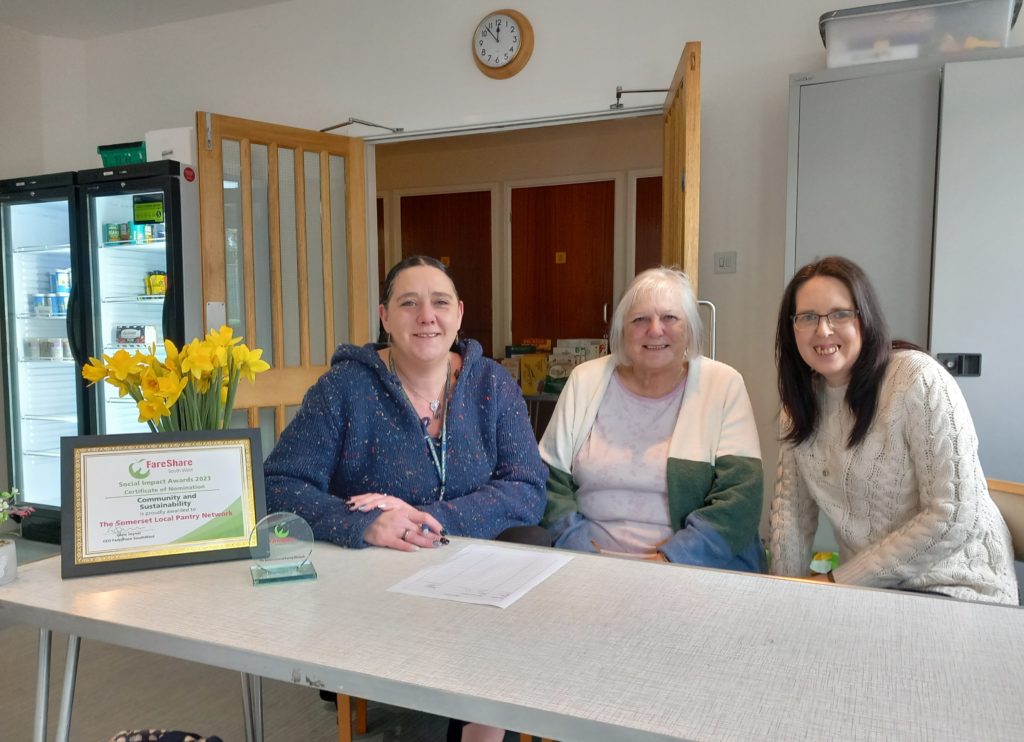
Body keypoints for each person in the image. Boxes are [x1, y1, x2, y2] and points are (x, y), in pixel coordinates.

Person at [265, 255, 547, 742]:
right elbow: (280, 483)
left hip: (473, 560)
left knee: (533, 541)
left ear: (459, 314)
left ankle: (482, 727)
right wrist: (363, 522)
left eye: (439, 303)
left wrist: (433, 518)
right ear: (384, 317)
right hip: (379, 569)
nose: (426, 316)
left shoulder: (493, 385)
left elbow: (527, 486)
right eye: (408, 303)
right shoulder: (343, 389)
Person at [769, 256, 1018, 604]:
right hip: (873, 592)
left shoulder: (917, 379)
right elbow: (791, 515)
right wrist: (782, 596)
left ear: (865, 318)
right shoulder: (798, 407)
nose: (822, 330)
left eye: (840, 314)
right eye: (807, 317)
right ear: (791, 327)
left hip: (957, 585)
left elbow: (955, 515)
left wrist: (837, 581)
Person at [539, 266, 766, 571]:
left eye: (670, 318)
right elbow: (546, 480)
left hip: (691, 570)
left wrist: (672, 559)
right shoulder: (586, 379)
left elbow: (740, 499)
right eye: (640, 319)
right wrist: (577, 548)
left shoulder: (723, 385)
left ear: (689, 329)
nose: (655, 330)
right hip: (587, 566)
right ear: (621, 330)